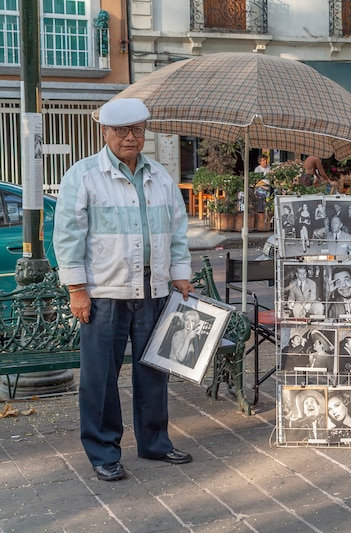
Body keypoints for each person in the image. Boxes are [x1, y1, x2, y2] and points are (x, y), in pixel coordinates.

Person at [53, 98, 194, 482]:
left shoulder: (161, 177)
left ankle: (154, 442)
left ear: (144, 133)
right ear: (106, 133)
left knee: (154, 371)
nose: (129, 138)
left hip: (155, 288)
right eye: (121, 131)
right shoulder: (83, 175)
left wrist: (180, 273)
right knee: (100, 376)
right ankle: (103, 452)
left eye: (136, 130)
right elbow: (67, 235)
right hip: (103, 291)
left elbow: (177, 231)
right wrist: (76, 289)